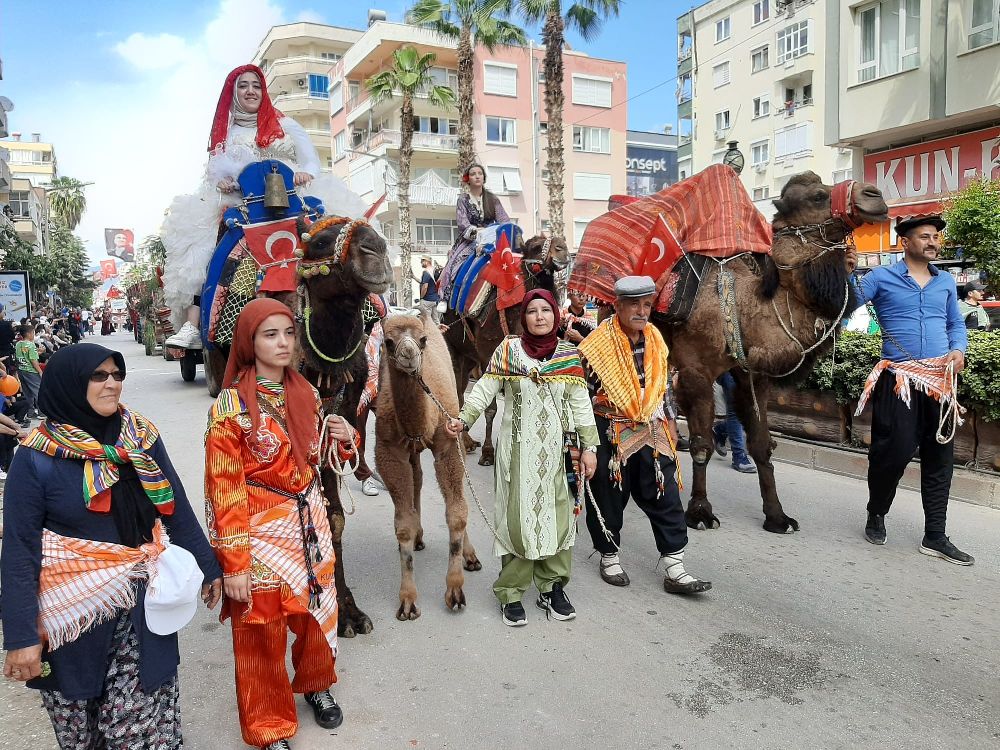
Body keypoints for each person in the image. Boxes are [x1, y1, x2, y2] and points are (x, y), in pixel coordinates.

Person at [0, 343, 223, 749]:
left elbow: (173, 505)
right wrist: (20, 637)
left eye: (117, 375)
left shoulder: (140, 437)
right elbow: (19, 551)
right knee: (79, 733)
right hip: (72, 619)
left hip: (140, 608)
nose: (112, 384)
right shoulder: (35, 459)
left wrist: (208, 567)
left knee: (138, 730)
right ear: (69, 384)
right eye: (98, 376)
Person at [205, 298, 355, 750]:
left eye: (289, 333)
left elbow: (315, 458)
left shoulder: (306, 392)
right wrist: (234, 562)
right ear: (248, 343)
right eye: (270, 335)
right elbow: (224, 486)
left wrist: (342, 438)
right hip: (257, 529)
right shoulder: (230, 406)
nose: (283, 343)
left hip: (308, 522)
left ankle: (316, 683)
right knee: (261, 628)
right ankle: (269, 725)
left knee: (316, 612)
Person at [163, 65, 366, 351]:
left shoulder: (287, 125)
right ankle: (193, 325)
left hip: (293, 200)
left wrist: (304, 174)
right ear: (233, 93)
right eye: (243, 86)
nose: (250, 91)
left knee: (342, 236)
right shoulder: (226, 132)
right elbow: (215, 170)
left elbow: (311, 162)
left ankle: (369, 306)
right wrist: (223, 181)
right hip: (243, 203)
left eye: (256, 85)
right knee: (202, 245)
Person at [447, 289, 598, 626]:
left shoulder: (568, 356)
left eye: (546, 310)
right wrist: (464, 419)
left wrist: (589, 448)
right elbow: (484, 389)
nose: (540, 316)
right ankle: (511, 592)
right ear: (523, 318)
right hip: (517, 456)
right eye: (532, 311)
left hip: (558, 456)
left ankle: (552, 587)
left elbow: (580, 405)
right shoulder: (508, 352)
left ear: (555, 315)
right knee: (517, 521)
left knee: (558, 519)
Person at [849, 215, 973, 565]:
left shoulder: (945, 281)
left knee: (940, 458)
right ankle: (877, 511)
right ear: (905, 242)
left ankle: (935, 535)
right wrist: (846, 274)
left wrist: (958, 350)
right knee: (893, 451)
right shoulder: (880, 277)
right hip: (898, 380)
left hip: (939, 381)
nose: (933, 242)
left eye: (936, 237)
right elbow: (844, 304)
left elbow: (954, 324)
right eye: (925, 236)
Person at [578, 276, 711, 595]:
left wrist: (670, 419)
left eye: (647, 305)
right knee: (609, 495)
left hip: (653, 429)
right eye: (634, 304)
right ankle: (609, 556)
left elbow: (662, 385)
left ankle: (675, 568)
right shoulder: (596, 345)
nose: (641, 311)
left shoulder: (655, 339)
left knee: (665, 495)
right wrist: (584, 445)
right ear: (618, 306)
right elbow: (580, 397)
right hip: (609, 428)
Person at [438, 163, 510, 298]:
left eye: (480, 173)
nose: (477, 176)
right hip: (470, 240)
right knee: (456, 264)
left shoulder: (493, 199)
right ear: (468, 179)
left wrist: (496, 231)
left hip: (493, 238)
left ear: (484, 177)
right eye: (473, 174)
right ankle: (447, 297)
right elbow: (463, 224)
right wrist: (478, 232)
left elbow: (504, 221)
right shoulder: (463, 199)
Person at [711, 372, 757, 473]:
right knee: (736, 411)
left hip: (749, 372)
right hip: (731, 370)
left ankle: (720, 430)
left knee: (747, 412)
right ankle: (739, 456)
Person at [15, 324, 42, 418]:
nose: (34, 335)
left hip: (21, 370)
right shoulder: (31, 345)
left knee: (27, 393)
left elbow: (23, 355)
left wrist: (37, 353)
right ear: (29, 334)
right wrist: (40, 371)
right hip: (31, 371)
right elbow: (33, 360)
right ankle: (42, 412)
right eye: (33, 333)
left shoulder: (18, 344)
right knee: (38, 391)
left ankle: (30, 412)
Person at [415, 255, 440, 321]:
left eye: (422, 261)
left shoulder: (426, 272)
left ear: (426, 262)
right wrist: (414, 277)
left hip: (427, 300)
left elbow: (425, 286)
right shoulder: (435, 271)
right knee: (435, 320)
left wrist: (421, 298)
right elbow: (424, 282)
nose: (421, 263)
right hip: (435, 299)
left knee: (426, 320)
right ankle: (437, 328)